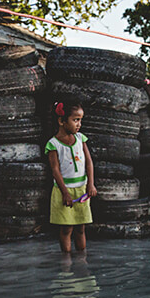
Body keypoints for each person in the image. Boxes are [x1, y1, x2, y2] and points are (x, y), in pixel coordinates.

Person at [45, 100, 97, 253]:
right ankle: (66, 265)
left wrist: (91, 184)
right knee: (66, 230)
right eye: (75, 120)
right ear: (61, 121)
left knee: (81, 228)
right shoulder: (53, 144)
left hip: (82, 190)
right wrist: (65, 193)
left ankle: (82, 261)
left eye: (80, 120)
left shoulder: (81, 139)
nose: (79, 124)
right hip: (63, 191)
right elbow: (55, 170)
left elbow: (89, 162)